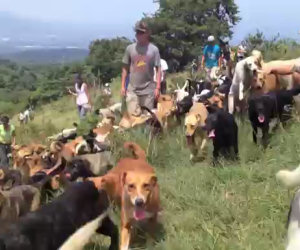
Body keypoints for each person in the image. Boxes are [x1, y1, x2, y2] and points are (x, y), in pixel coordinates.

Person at [121, 21, 161, 116]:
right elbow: (125, 68)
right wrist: (123, 86)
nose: (138, 35)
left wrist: (158, 87)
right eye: (137, 32)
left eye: (141, 32)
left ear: (147, 33)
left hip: (148, 90)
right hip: (132, 89)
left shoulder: (154, 50)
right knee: (133, 116)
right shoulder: (130, 49)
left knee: (147, 117)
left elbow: (158, 69)